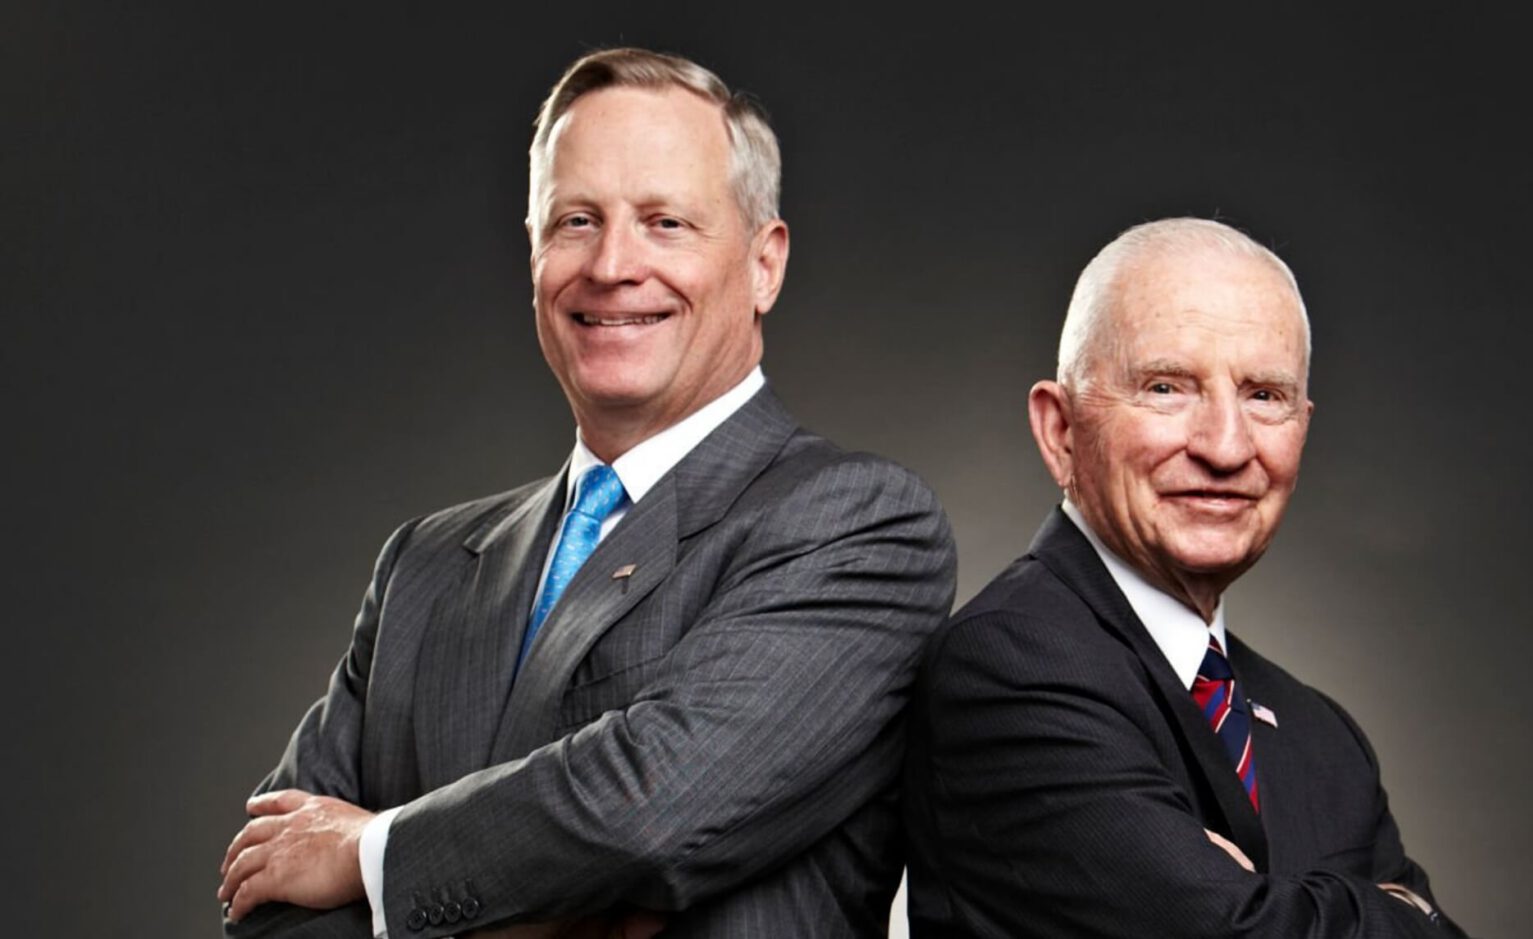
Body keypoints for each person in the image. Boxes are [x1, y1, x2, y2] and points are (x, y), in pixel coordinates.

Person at [216, 47, 956, 939]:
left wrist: (374, 857)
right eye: (575, 220)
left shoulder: (857, 525)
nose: (612, 265)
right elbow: (268, 889)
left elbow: (654, 809)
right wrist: (567, 902)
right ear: (532, 250)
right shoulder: (423, 565)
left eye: (665, 222)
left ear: (765, 263)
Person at [902, 218, 1466, 937]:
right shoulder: (1007, 664)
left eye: (1264, 395)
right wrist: (1400, 912)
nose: (1226, 446)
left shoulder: (1323, 736)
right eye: (1167, 387)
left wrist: (1262, 899)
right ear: (1061, 430)